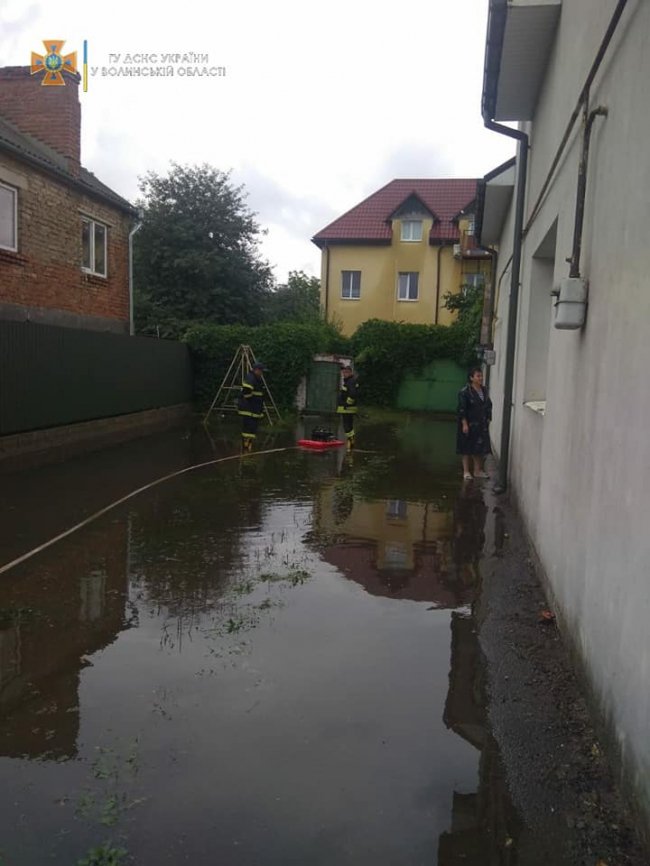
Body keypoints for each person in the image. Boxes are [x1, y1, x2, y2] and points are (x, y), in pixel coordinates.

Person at [457, 366, 492, 480]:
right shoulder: (465, 392)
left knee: (479, 448)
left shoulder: (484, 390)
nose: (481, 378)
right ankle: (466, 471)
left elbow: (488, 405)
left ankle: (478, 470)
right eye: (478, 376)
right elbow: (462, 408)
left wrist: (488, 419)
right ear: (471, 378)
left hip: (481, 424)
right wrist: (464, 423)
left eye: (481, 376)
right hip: (469, 423)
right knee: (466, 447)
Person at [238, 361, 267, 452]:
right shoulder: (251, 377)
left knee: (252, 428)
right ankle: (246, 446)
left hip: (254, 408)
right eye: (261, 371)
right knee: (248, 428)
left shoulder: (256, 378)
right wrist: (250, 400)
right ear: (256, 370)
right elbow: (246, 390)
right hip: (249, 408)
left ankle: (248, 445)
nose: (262, 373)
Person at [337, 364, 358, 449]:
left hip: (347, 409)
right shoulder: (348, 381)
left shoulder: (351, 381)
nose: (343, 374)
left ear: (350, 373)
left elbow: (353, 394)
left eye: (345, 372)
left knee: (347, 427)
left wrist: (347, 404)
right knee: (349, 427)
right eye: (343, 372)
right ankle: (351, 444)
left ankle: (351, 445)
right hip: (346, 408)